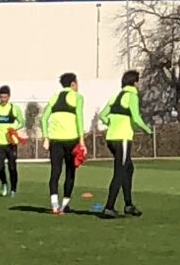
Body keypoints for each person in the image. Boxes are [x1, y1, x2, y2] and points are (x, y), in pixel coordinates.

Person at [99, 70, 153, 218]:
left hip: (111, 138)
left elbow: (102, 115)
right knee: (120, 171)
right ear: (135, 82)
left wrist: (112, 123)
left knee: (128, 168)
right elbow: (136, 118)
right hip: (122, 138)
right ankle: (109, 207)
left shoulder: (116, 96)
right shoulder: (132, 96)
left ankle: (128, 205)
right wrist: (147, 130)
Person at [42, 72, 87, 215]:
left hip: (55, 140)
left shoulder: (54, 97)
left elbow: (43, 118)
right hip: (71, 139)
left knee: (55, 172)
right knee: (70, 172)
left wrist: (46, 137)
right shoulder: (78, 97)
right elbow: (79, 118)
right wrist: (82, 140)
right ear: (73, 84)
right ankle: (65, 204)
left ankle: (55, 205)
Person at [0, 85, 22, 197]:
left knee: (12, 167)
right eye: (1, 97)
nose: (3, 100)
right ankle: (4, 183)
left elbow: (22, 122)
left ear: (9, 97)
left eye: (5, 97)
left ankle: (13, 189)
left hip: (11, 142)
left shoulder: (14, 108)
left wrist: (13, 129)